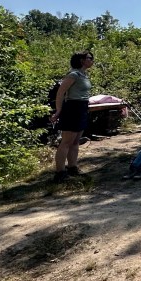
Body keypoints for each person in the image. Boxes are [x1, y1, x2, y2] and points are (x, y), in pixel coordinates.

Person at [49, 50, 95, 182]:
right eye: (90, 58)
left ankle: (72, 168)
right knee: (66, 142)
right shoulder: (73, 74)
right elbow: (60, 93)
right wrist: (58, 111)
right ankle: (60, 173)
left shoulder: (83, 75)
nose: (92, 60)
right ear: (82, 60)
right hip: (72, 109)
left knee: (75, 141)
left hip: (82, 108)